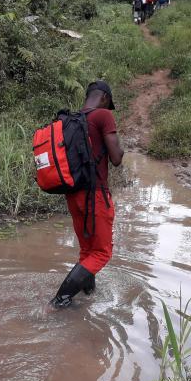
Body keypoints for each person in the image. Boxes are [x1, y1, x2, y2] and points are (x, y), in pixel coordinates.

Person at [51, 81, 124, 307]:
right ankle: (59, 301)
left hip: (73, 195)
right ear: (103, 97)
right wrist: (120, 147)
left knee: (87, 250)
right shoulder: (103, 116)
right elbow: (116, 158)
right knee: (102, 253)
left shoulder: (71, 120)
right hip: (96, 195)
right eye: (108, 103)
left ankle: (89, 295)